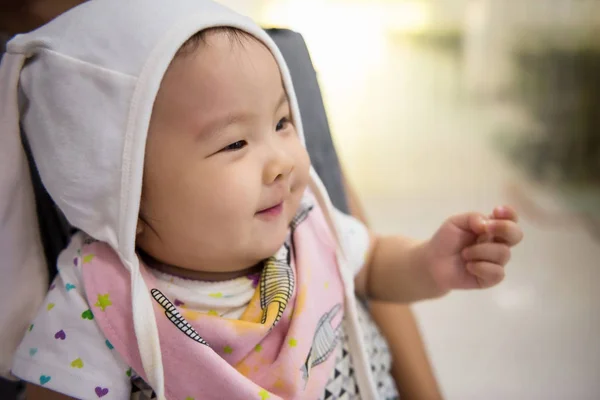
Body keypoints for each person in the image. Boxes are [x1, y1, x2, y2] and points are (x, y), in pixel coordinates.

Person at [1, 1, 523, 399]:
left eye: (281, 122)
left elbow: (373, 265)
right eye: (235, 143)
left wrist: (431, 263)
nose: (281, 161)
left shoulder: (305, 222)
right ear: (123, 193)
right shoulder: (100, 299)